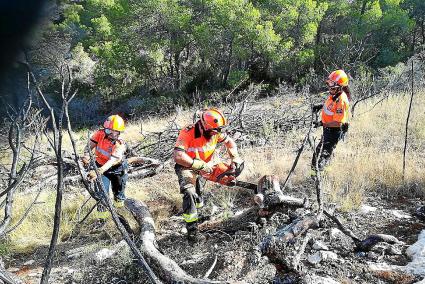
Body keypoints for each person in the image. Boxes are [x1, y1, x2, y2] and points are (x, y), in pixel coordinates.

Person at [173, 108, 243, 242]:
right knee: (190, 193)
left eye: (219, 130)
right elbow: (178, 156)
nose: (217, 133)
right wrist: (198, 165)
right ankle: (193, 233)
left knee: (229, 175)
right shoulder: (188, 132)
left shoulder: (216, 131)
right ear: (204, 125)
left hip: (207, 165)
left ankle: (201, 213)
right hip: (187, 166)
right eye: (214, 130)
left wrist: (235, 158)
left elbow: (230, 142)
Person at [82, 114, 128, 220]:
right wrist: (86, 156)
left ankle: (120, 215)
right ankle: (102, 220)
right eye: (109, 131)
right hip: (100, 166)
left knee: (119, 194)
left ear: (119, 131)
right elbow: (88, 147)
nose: (112, 134)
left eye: (115, 131)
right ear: (105, 129)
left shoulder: (120, 144)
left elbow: (112, 161)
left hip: (117, 169)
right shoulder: (99, 134)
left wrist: (98, 171)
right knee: (102, 194)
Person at [311, 70, 351, 177]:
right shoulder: (334, 94)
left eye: (332, 87)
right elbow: (329, 105)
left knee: (322, 156)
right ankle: (319, 176)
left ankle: (319, 179)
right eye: (329, 85)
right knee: (320, 153)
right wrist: (320, 106)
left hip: (334, 132)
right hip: (328, 130)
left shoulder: (341, 100)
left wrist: (321, 123)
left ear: (340, 87)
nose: (330, 88)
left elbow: (338, 123)